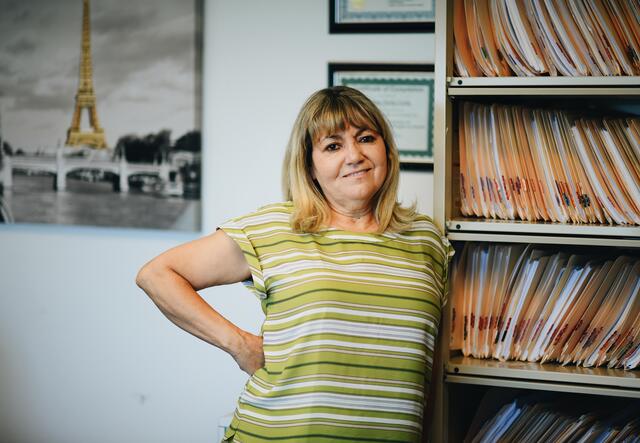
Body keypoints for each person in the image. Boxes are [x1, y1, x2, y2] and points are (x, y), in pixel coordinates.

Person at [136, 86, 454, 442]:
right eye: (333, 146)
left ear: (387, 151)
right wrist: (239, 344)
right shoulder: (275, 228)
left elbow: (431, 365)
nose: (354, 155)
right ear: (310, 167)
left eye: (366, 138)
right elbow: (157, 275)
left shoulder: (427, 239)